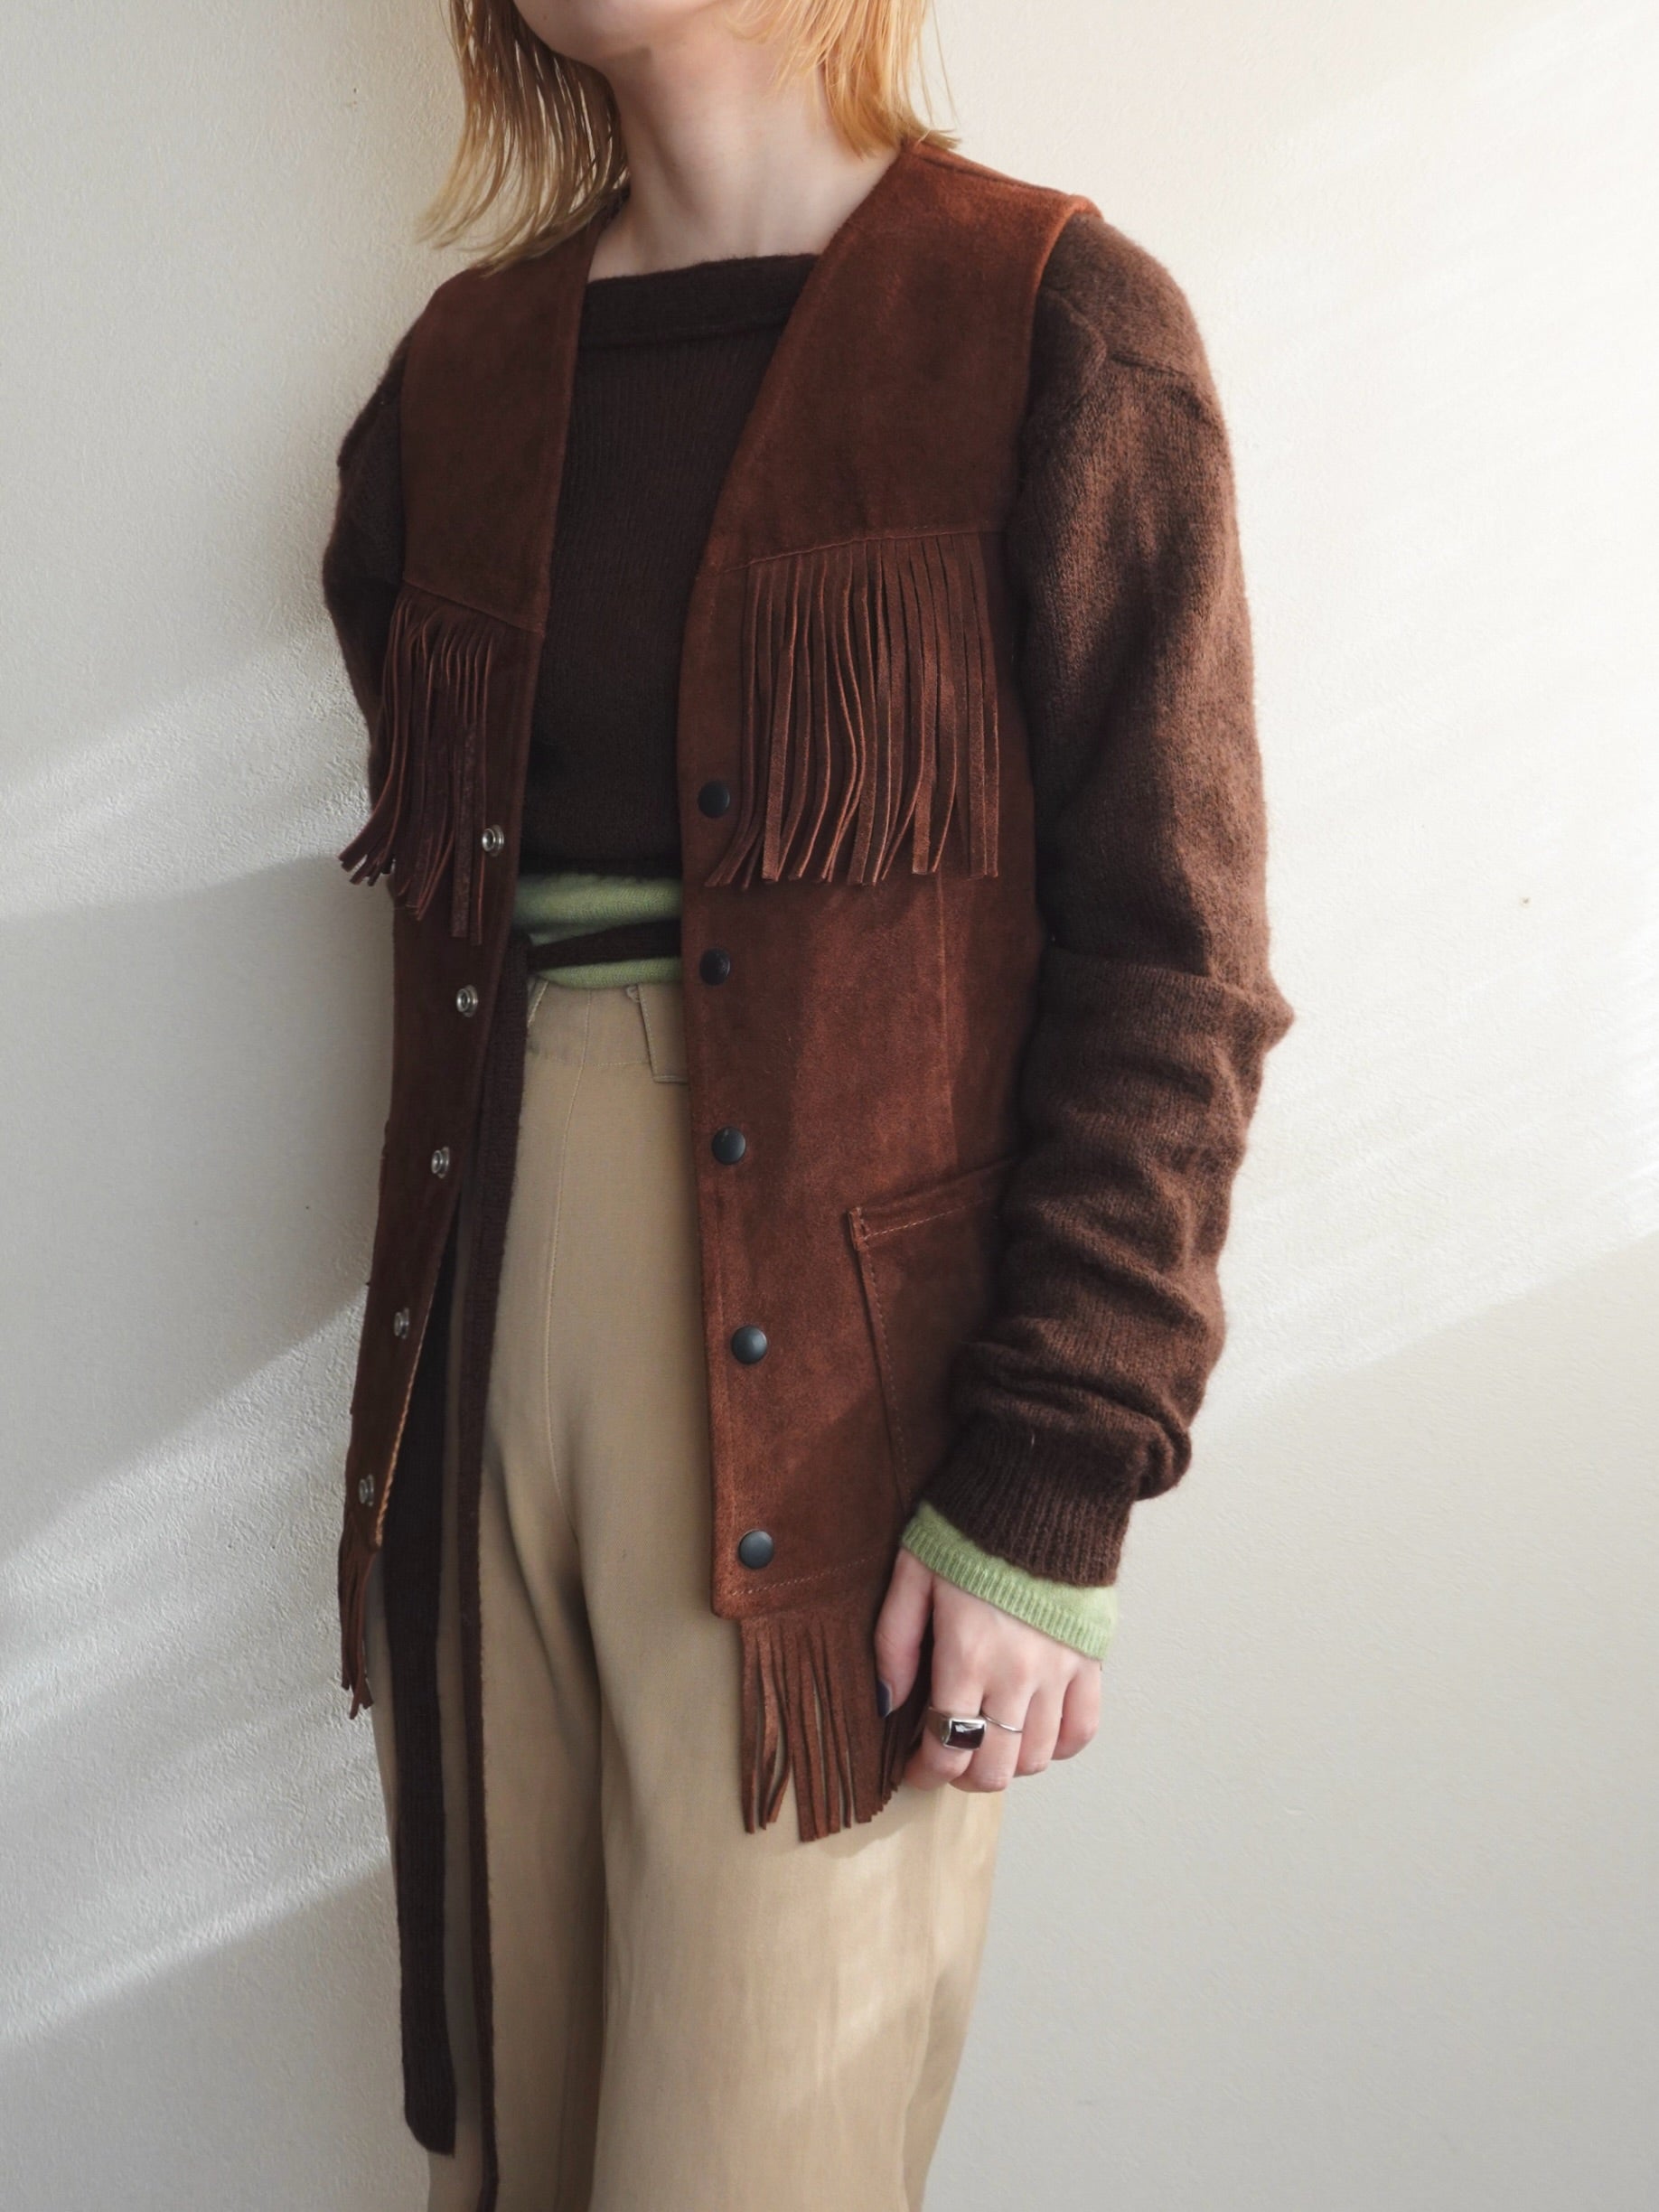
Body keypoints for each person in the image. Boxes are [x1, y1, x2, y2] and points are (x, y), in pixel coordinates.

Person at [319, 2, 1291, 2206]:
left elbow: (1177, 959)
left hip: (840, 1421)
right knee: (520, 2149)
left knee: (750, 2156)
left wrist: (1054, 1476)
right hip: (485, 1350)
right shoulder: (462, 378)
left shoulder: (1050, 325)